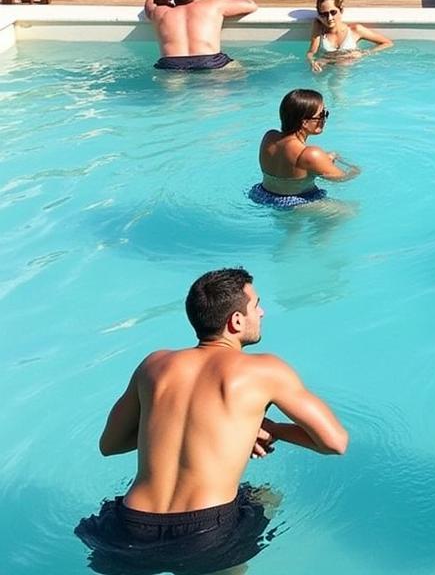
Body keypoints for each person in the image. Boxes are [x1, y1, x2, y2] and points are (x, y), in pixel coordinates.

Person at [75, 268, 348, 575]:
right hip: (207, 532)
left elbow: (109, 445)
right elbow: (334, 442)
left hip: (131, 527)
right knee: (267, 497)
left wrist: (164, 424)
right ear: (236, 321)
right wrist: (273, 429)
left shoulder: (154, 365)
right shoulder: (265, 371)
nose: (262, 311)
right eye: (256, 305)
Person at [250, 88, 361, 208]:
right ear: (304, 122)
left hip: (262, 194)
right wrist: (354, 169)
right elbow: (341, 179)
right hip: (296, 202)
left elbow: (290, 165)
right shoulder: (311, 154)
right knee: (351, 211)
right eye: (322, 114)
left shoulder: (269, 137)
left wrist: (324, 159)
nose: (324, 119)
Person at [144, 0, 257, 71]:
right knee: (241, 72)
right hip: (210, 62)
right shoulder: (213, 5)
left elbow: (149, 3)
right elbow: (251, 5)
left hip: (171, 64)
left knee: (174, 89)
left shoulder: (160, 12)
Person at [307, 0, 393, 72]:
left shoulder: (355, 30)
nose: (329, 18)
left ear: (341, 10)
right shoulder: (319, 30)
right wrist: (312, 62)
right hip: (325, 69)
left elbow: (387, 43)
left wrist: (363, 53)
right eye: (324, 14)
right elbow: (311, 52)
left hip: (348, 73)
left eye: (333, 12)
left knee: (342, 66)